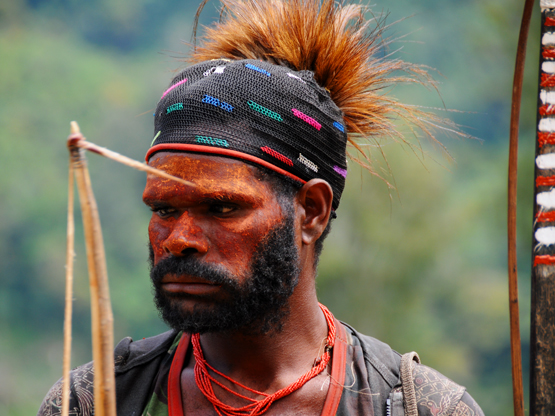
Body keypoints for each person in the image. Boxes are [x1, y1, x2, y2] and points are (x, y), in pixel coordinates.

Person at [38, 0, 484, 415]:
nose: (179, 239)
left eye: (222, 207)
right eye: (164, 209)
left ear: (311, 211)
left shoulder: (417, 407)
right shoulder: (95, 402)